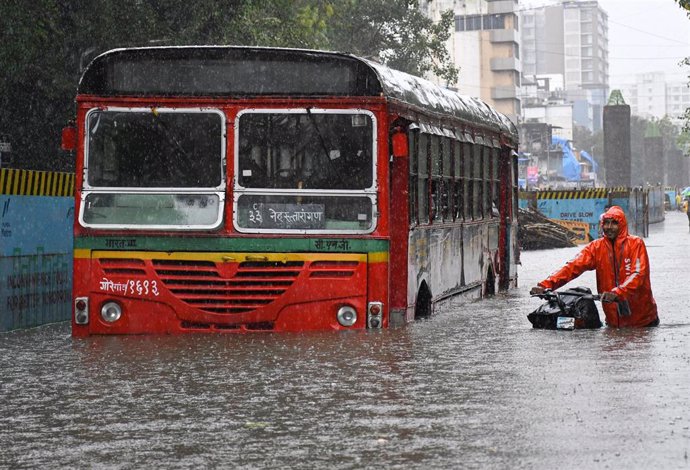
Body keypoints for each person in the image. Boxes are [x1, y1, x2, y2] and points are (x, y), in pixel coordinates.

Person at [530, 205, 659, 328]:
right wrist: (545, 285)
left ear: (622, 225)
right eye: (606, 223)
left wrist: (617, 293)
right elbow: (572, 267)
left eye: (614, 223)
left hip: (643, 322)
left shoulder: (636, 244)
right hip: (613, 324)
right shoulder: (596, 247)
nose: (609, 227)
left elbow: (638, 275)